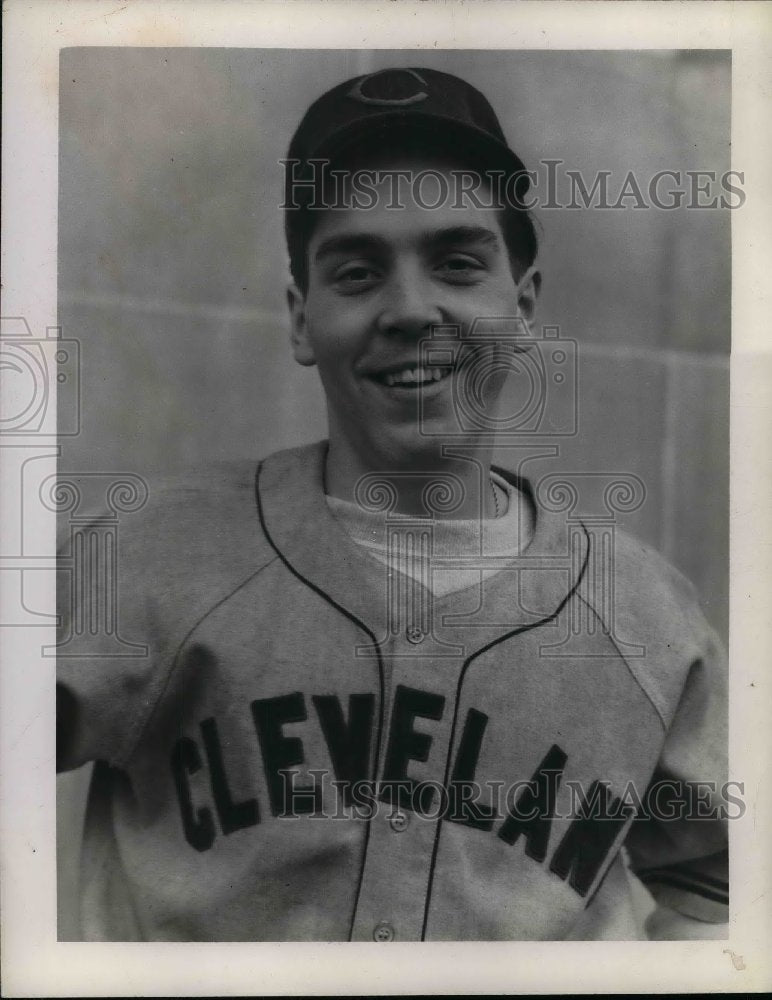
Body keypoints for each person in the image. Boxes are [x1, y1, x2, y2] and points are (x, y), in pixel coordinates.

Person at [56, 66, 729, 941]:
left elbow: (720, 892)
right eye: (358, 272)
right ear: (301, 318)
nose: (411, 310)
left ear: (523, 305)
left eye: (457, 264)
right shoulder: (150, 556)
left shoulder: (646, 619)